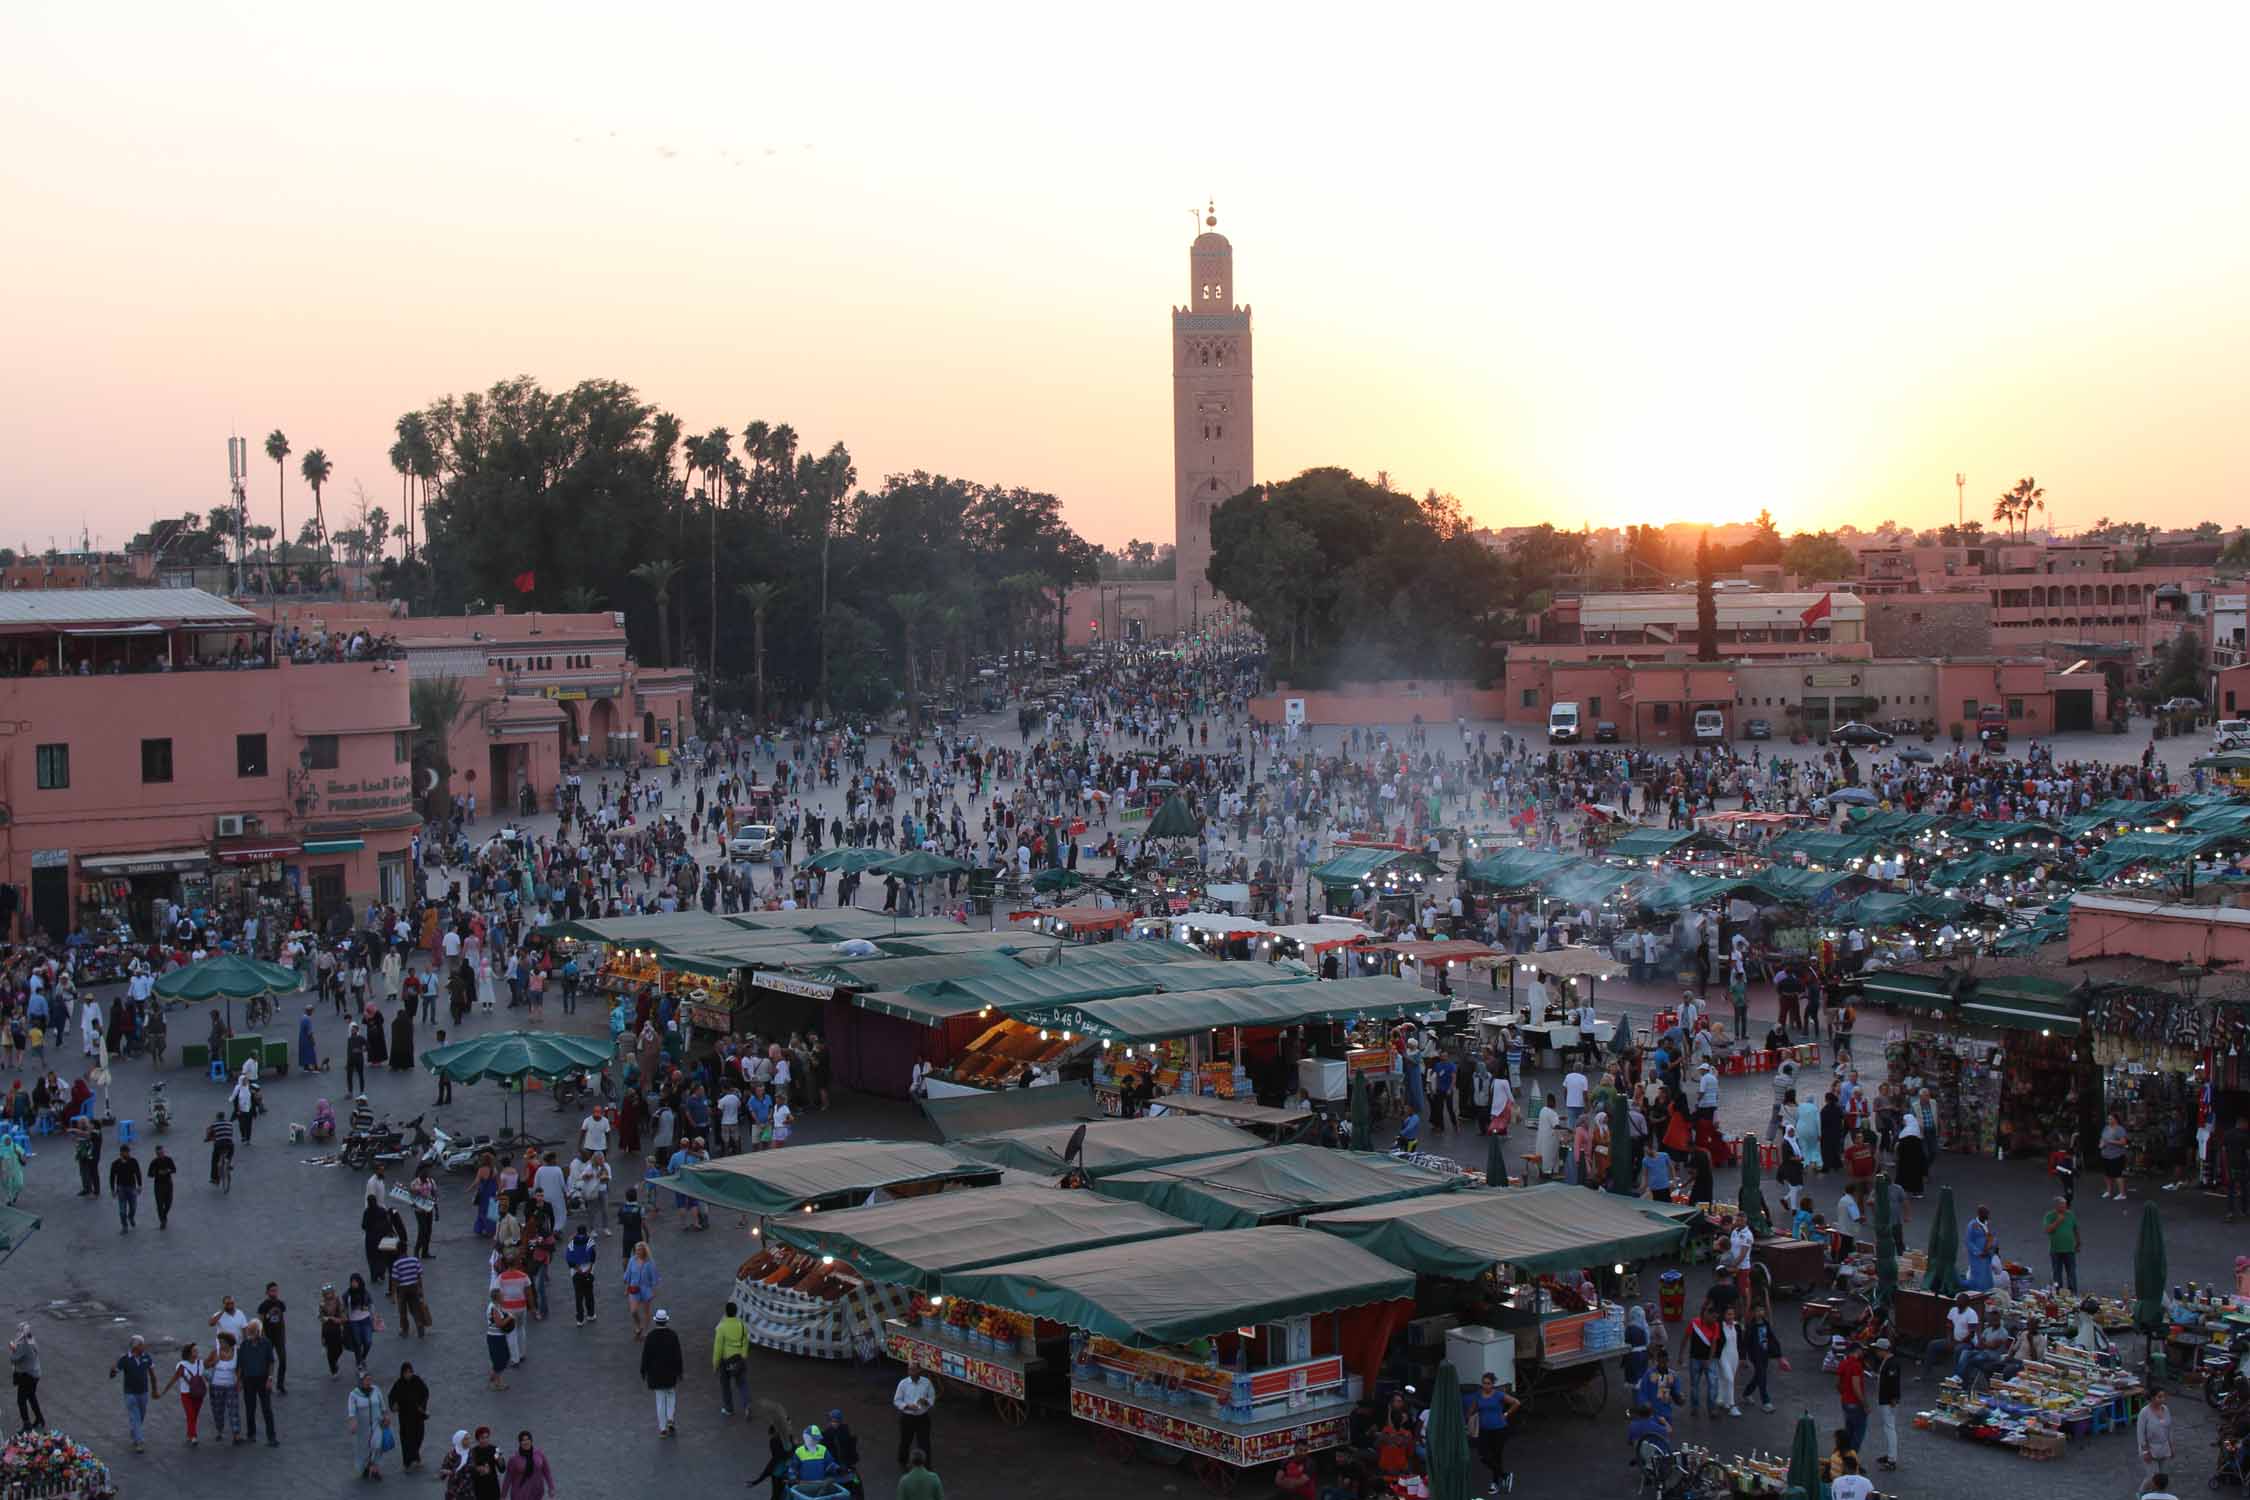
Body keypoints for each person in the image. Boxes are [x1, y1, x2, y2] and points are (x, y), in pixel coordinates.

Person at [1469, 1369, 1519, 1494]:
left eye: (1488, 1383)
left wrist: (1506, 1414)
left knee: (1496, 1456)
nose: (1485, 1386)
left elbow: (1516, 1403)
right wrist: (1466, 1418)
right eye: (1484, 1383)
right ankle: (1504, 1475)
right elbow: (1472, 1410)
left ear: (1493, 1384)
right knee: (1483, 1456)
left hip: (1499, 1429)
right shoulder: (1478, 1395)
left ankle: (1495, 1483)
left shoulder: (1498, 1395)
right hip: (1484, 1430)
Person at [641, 1308, 684, 1436]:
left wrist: (643, 1371)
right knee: (671, 1394)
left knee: (660, 1400)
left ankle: (662, 1429)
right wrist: (680, 1371)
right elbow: (678, 1355)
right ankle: (670, 1417)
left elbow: (645, 1356)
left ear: (656, 1322)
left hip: (655, 1374)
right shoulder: (673, 1335)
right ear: (666, 1321)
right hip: (670, 1373)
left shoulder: (650, 1337)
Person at [111, 1334, 156, 1452]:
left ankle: (135, 1432)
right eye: (142, 1345)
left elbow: (152, 1374)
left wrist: (155, 1390)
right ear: (136, 1347)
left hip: (144, 1392)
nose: (144, 1347)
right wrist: (113, 1368)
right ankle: (138, 1442)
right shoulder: (125, 1359)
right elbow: (113, 1374)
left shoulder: (146, 1357)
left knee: (141, 1415)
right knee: (135, 1416)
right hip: (130, 1393)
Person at [238, 1319, 278, 1446]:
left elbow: (271, 1362)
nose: (249, 1333)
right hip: (248, 1380)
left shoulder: (266, 1343)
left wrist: (270, 1378)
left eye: (252, 1330)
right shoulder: (244, 1345)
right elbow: (240, 1364)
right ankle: (251, 1435)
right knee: (250, 1409)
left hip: (263, 1379)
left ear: (259, 1331)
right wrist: (239, 1381)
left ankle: (271, 1437)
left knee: (267, 1409)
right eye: (249, 1330)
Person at [345, 1367, 389, 1480]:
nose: (369, 1381)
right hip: (362, 1428)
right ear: (361, 1381)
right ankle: (367, 1467)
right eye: (366, 1379)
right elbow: (351, 1412)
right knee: (363, 1450)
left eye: (370, 1379)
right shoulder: (353, 1395)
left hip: (376, 1424)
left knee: (378, 1445)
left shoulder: (376, 1389)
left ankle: (375, 1467)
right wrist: (353, 1422)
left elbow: (382, 1405)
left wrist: (385, 1416)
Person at [713, 1301, 751, 1416]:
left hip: (726, 1361)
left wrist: (715, 1364)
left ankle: (728, 1408)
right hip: (739, 1359)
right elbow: (746, 1342)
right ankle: (747, 1404)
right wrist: (743, 1355)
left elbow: (718, 1348)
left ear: (726, 1312)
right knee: (742, 1383)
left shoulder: (721, 1327)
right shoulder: (743, 1325)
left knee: (725, 1385)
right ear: (736, 1312)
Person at [894, 1365, 937, 1467]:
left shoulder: (927, 1383)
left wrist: (926, 1402)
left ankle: (926, 1465)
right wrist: (907, 1406)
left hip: (923, 1418)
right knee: (905, 1441)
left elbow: (932, 1397)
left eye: (914, 1370)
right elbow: (897, 1400)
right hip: (907, 1418)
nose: (911, 1372)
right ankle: (903, 1461)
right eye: (910, 1370)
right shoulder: (903, 1384)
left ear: (919, 1371)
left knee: (924, 1442)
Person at [1869, 1337, 1902, 1472]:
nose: (1876, 1352)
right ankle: (1890, 1455)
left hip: (1888, 1401)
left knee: (1889, 1428)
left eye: (1877, 1349)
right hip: (1887, 1399)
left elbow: (1893, 1382)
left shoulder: (1891, 1363)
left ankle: (1892, 1459)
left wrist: (1893, 1398)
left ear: (1883, 1350)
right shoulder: (1888, 1362)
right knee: (1888, 1428)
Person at [390, 1361, 429, 1471]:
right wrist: (394, 1405)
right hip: (405, 1417)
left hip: (417, 1415)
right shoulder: (398, 1384)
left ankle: (415, 1456)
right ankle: (408, 1462)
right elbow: (392, 1396)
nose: (408, 1374)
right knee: (407, 1439)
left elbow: (425, 1393)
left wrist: (422, 1406)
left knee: (419, 1436)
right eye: (406, 1372)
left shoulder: (417, 1381)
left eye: (410, 1372)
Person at [501, 1429, 556, 1499]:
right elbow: (507, 1479)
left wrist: (551, 1488)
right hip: (520, 1493)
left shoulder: (539, 1454)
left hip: (537, 1492)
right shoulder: (514, 1459)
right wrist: (503, 1496)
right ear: (520, 1442)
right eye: (523, 1440)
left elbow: (547, 1472)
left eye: (527, 1439)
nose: (526, 1442)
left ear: (531, 1440)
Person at [1835, 1338, 1868, 1455]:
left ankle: (1843, 1456)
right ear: (1857, 1350)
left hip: (1845, 1402)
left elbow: (1837, 1384)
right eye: (1862, 1350)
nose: (1863, 1353)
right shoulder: (1856, 1365)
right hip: (1855, 1404)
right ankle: (1851, 1459)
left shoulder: (1843, 1363)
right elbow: (1856, 1387)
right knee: (1858, 1433)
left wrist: (1844, 1394)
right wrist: (1865, 1405)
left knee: (1849, 1431)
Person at [9, 1324, 43, 1433]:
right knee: (31, 1397)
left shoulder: (23, 1344)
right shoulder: (31, 1340)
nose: (17, 1333)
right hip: (35, 1374)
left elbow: (14, 1359)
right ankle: (39, 1419)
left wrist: (13, 1348)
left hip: (27, 1376)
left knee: (21, 1400)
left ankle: (27, 1424)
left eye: (19, 1331)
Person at [2042, 1195, 2080, 1292]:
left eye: (2065, 1205)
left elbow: (2075, 1229)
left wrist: (2078, 1242)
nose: (2065, 1207)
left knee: (2071, 1273)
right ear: (2056, 1206)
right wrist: (2058, 1221)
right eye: (2062, 1205)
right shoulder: (2049, 1216)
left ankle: (2073, 1292)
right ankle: (2057, 1292)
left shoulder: (2070, 1215)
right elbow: (2048, 1230)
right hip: (2056, 1249)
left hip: (2070, 1249)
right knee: (2057, 1273)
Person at [2138, 1386, 2175, 1482]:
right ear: (2152, 1398)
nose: (2163, 1399)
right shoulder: (2144, 1413)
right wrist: (2145, 1452)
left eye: (2163, 1397)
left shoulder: (2165, 1409)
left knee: (2162, 1477)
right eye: (2159, 1397)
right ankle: (2141, 1494)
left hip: (2163, 1447)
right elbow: (2140, 1434)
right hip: (2150, 1448)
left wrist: (2171, 1447)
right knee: (2153, 1478)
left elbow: (2169, 1428)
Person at [623, 1240, 659, 1339]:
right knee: (633, 1311)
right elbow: (628, 1274)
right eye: (636, 1250)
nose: (637, 1251)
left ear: (644, 1251)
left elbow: (654, 1277)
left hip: (646, 1288)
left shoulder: (649, 1262)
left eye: (640, 1250)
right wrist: (626, 1287)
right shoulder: (632, 1260)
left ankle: (646, 1330)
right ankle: (638, 1325)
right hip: (634, 1288)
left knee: (646, 1311)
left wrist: (654, 1290)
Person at [108, 1141, 143, 1232]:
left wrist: (139, 1185)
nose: (126, 1154)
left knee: (133, 1207)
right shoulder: (115, 1164)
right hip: (121, 1188)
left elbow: (138, 1173)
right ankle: (124, 1226)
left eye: (127, 1152)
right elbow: (112, 1177)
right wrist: (112, 1189)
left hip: (132, 1187)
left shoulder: (133, 1161)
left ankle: (131, 1217)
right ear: (120, 1153)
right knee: (122, 1210)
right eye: (124, 1152)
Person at [2100, 1112, 2131, 1199]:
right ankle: (2109, 1191)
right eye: (2108, 1119)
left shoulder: (2119, 1129)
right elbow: (2102, 1138)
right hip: (2106, 1155)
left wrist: (2111, 1141)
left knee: (2117, 1175)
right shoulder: (2106, 1128)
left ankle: (2122, 1194)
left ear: (2115, 1119)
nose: (2108, 1120)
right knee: (2107, 1175)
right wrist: (2101, 1144)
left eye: (2110, 1118)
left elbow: (2123, 1142)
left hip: (2116, 1155)